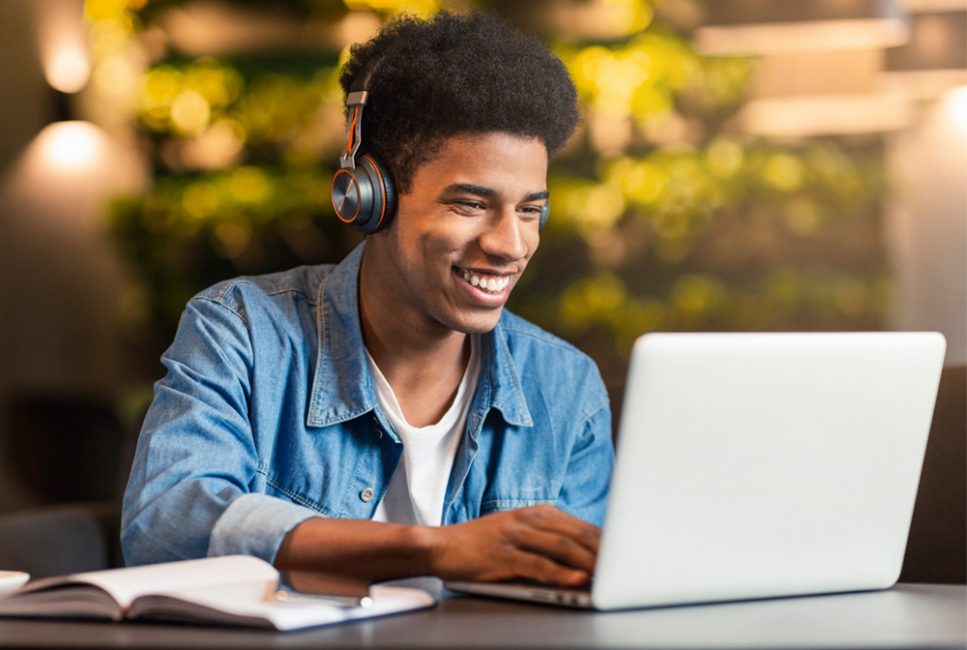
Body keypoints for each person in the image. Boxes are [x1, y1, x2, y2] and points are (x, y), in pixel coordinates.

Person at [121, 10, 614, 588]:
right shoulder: (242, 334)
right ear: (368, 197)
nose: (511, 244)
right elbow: (163, 525)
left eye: (529, 209)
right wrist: (433, 550)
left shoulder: (567, 386)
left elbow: (591, 593)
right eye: (470, 204)